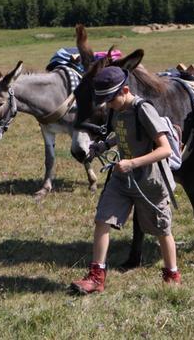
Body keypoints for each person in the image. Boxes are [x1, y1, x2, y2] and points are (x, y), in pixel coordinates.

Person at [70, 65, 180, 294]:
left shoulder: (143, 109)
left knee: (162, 230)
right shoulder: (116, 109)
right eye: (105, 101)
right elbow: (121, 133)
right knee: (103, 219)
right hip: (123, 179)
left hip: (150, 180)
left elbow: (165, 149)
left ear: (126, 90)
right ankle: (96, 277)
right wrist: (103, 145)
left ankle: (172, 275)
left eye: (111, 99)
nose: (108, 105)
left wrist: (132, 162)